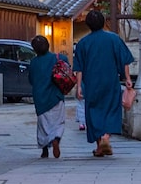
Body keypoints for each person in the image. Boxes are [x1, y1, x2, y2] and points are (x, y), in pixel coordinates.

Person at [73, 10, 134, 156]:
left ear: (88, 24)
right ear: (103, 22)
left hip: (91, 84)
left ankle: (99, 146)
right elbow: (124, 60)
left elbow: (79, 68)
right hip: (110, 81)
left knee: (93, 113)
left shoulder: (82, 43)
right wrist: (127, 78)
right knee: (112, 110)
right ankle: (106, 137)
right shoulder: (114, 39)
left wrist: (79, 86)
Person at [27, 35, 65, 158]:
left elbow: (31, 80)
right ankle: (56, 139)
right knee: (58, 122)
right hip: (56, 95)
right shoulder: (57, 58)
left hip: (40, 98)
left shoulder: (34, 62)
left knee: (43, 126)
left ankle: (44, 150)